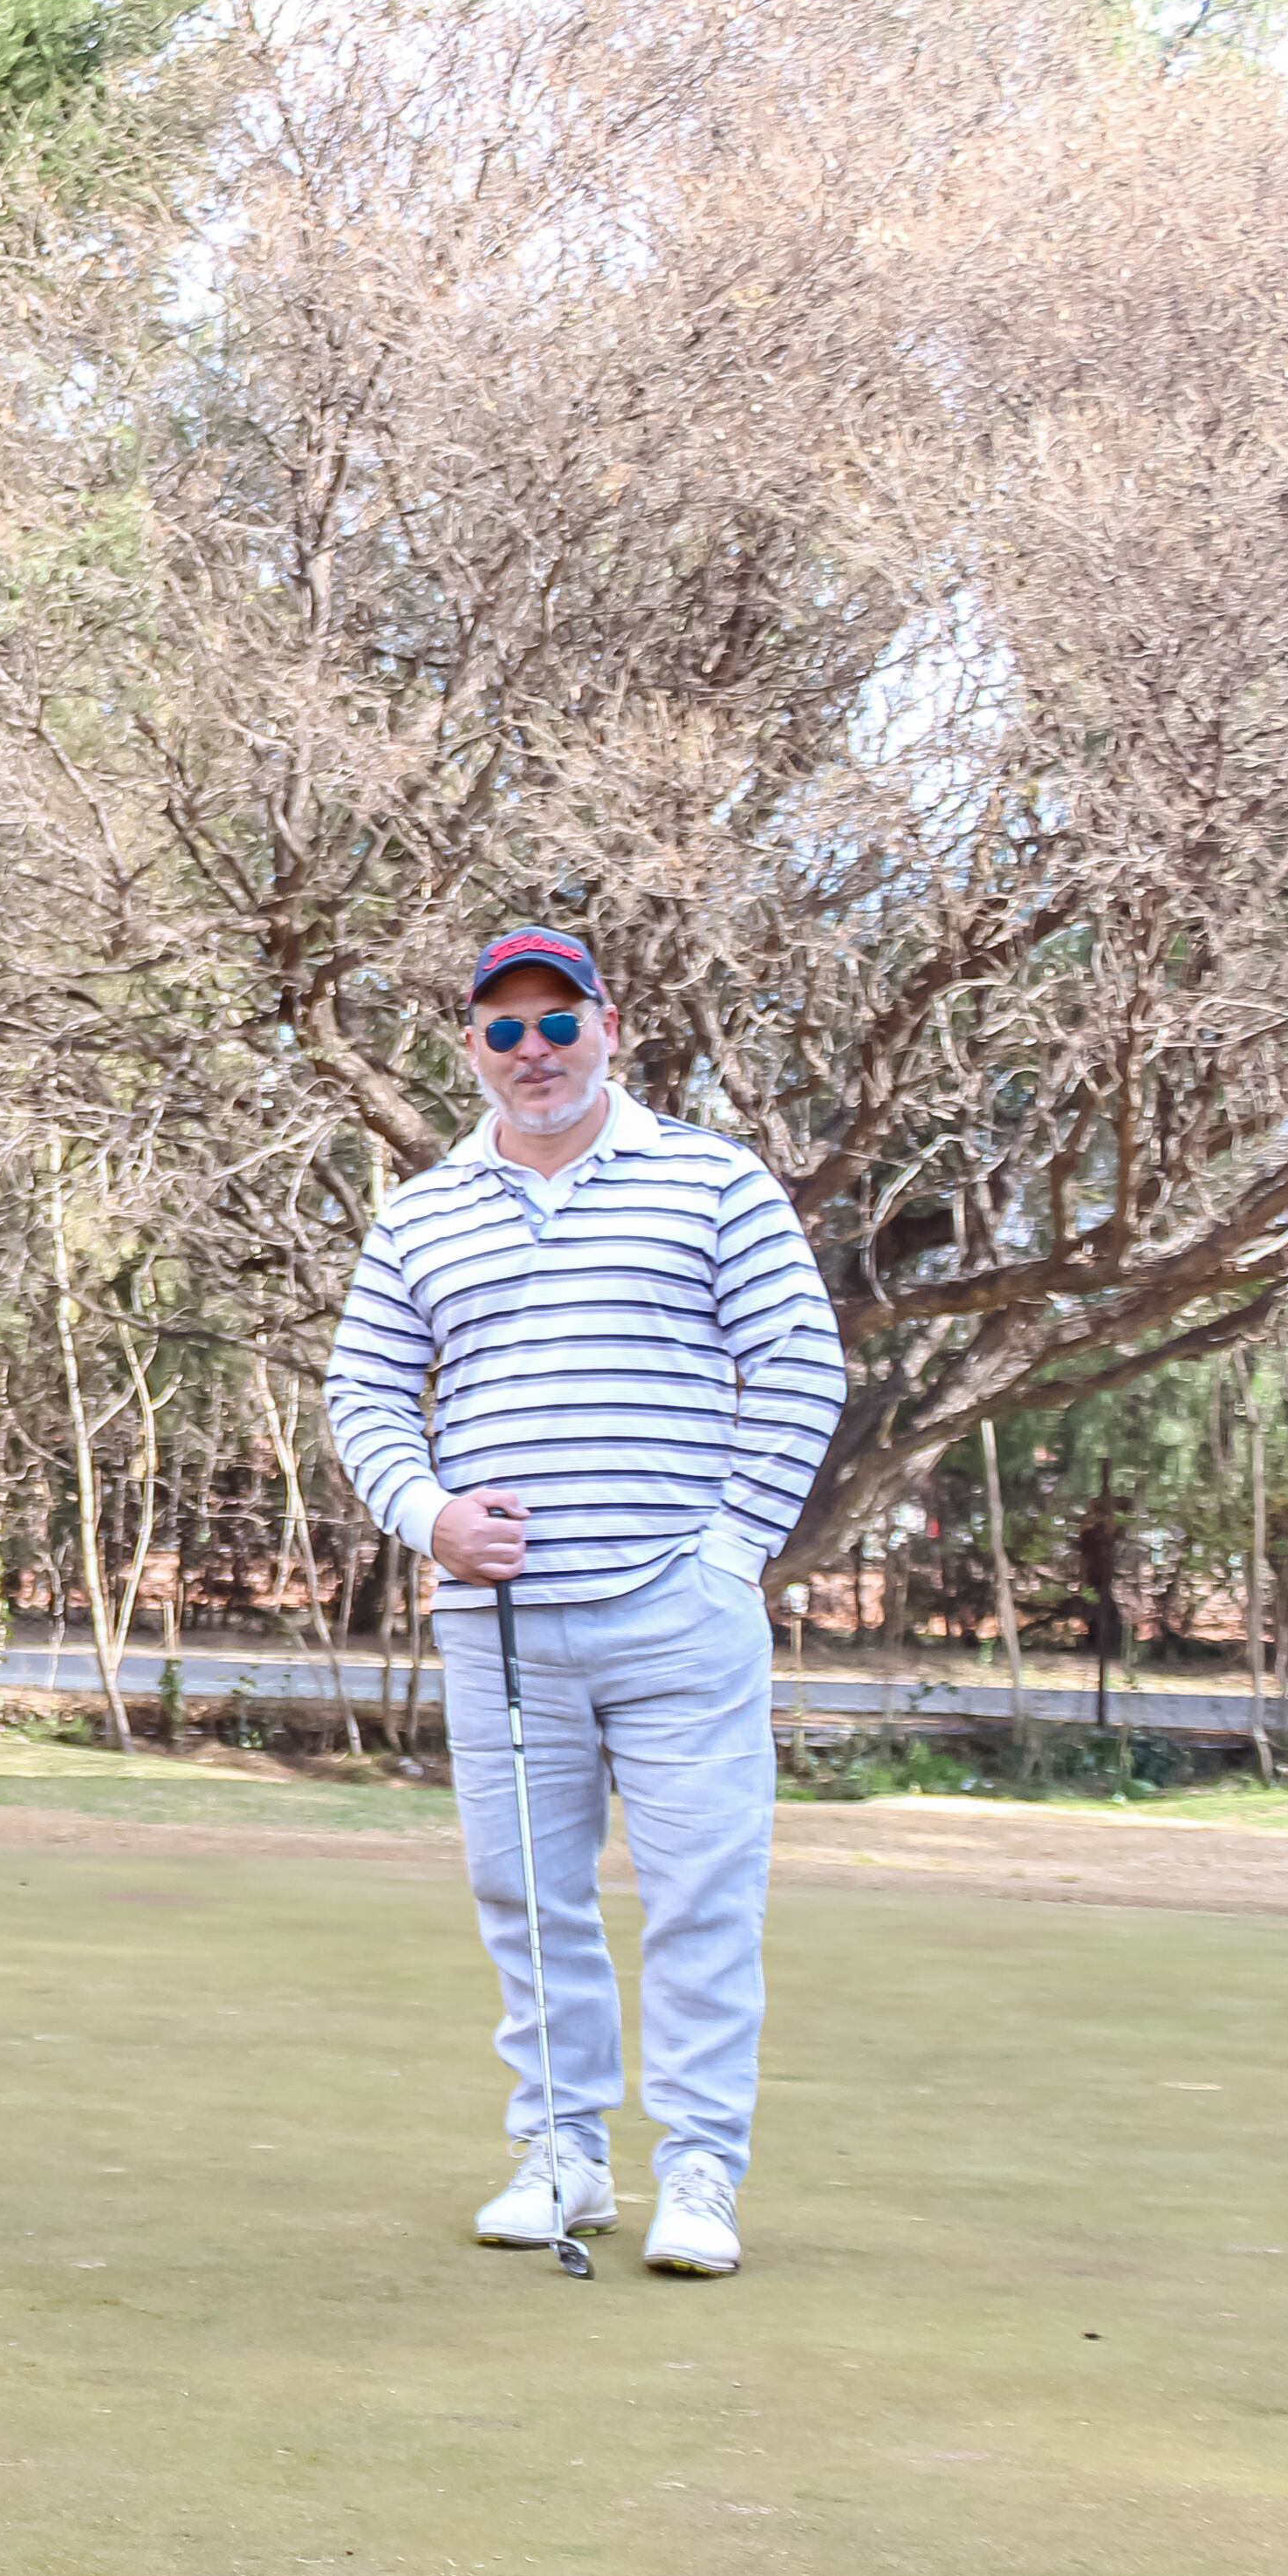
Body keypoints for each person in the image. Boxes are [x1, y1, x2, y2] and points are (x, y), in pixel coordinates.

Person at [325, 926, 845, 2278]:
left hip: (680, 1611)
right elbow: (366, 1395)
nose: (533, 1049)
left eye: (558, 1020)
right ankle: (563, 2154)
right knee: (528, 1896)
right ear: (469, 1049)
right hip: (498, 1627)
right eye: (503, 1029)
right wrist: (429, 1515)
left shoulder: (712, 1179)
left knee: (700, 1899)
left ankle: (700, 2174)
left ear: (610, 1025)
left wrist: (731, 1552)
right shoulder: (420, 1210)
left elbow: (799, 1366)